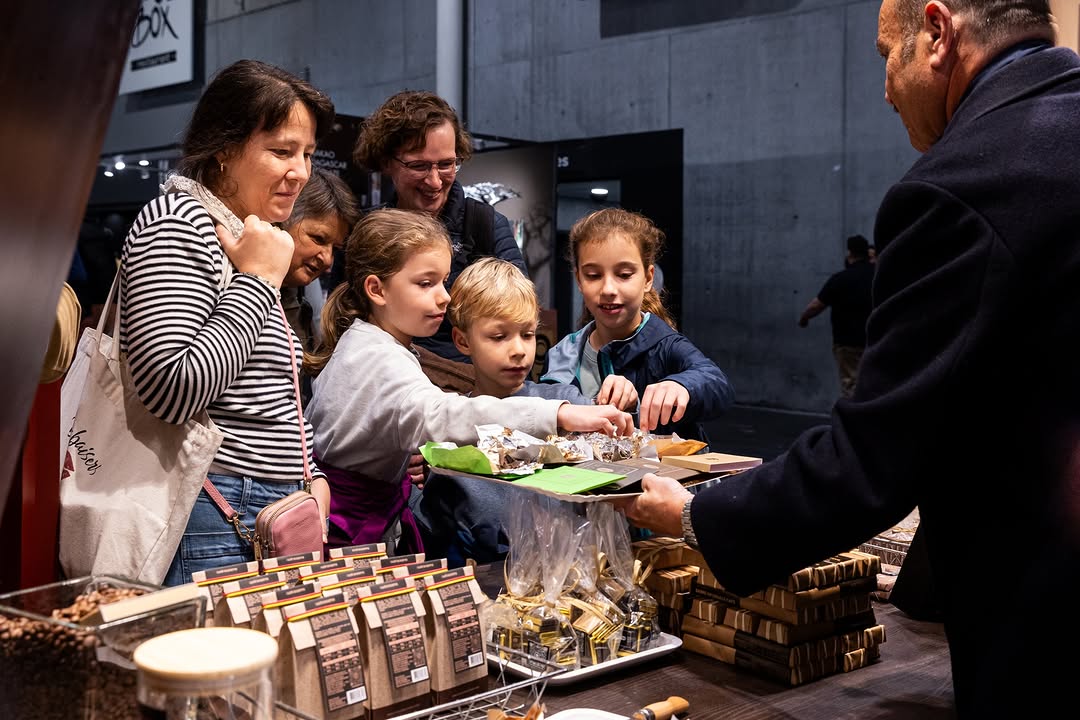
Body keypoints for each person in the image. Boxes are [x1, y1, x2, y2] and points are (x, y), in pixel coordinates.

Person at [619, 1, 1080, 715]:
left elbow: (875, 454)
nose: (885, 89)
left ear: (936, 33)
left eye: (884, 56)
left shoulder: (966, 186)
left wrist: (696, 516)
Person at [118, 59, 335, 586]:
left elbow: (267, 390)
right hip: (212, 509)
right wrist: (260, 281)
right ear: (223, 146)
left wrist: (312, 475)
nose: (300, 172)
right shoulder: (178, 221)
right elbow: (171, 389)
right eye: (281, 151)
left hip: (261, 508)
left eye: (307, 154)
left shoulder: (244, 234)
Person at [304, 208, 633, 553]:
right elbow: (442, 414)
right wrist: (557, 415)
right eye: (425, 283)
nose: (445, 296)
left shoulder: (367, 343)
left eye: (444, 281)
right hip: (347, 530)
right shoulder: (378, 358)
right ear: (377, 289)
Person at [418, 257, 623, 564]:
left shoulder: (567, 405)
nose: (518, 350)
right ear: (462, 340)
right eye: (499, 337)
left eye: (527, 334)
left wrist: (622, 404)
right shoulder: (451, 441)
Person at [353, 90, 527, 367]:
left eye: (447, 164)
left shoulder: (484, 226)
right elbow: (346, 320)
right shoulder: (364, 233)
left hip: (469, 392)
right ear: (386, 162)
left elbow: (518, 317)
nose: (434, 182)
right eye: (419, 166)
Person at [541, 207, 734, 444]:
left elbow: (716, 382)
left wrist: (681, 385)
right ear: (579, 280)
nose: (608, 289)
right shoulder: (563, 352)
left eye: (624, 274)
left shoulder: (665, 345)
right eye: (593, 275)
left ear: (648, 278)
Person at [281, 167, 360, 352]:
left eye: (335, 249)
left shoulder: (299, 301)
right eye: (318, 239)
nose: (327, 260)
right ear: (281, 220)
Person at [797, 234, 875, 398]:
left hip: (847, 342)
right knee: (874, 382)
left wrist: (804, 318)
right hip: (875, 339)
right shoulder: (878, 276)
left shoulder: (840, 279)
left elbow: (816, 305)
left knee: (852, 385)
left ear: (850, 253)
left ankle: (856, 420)